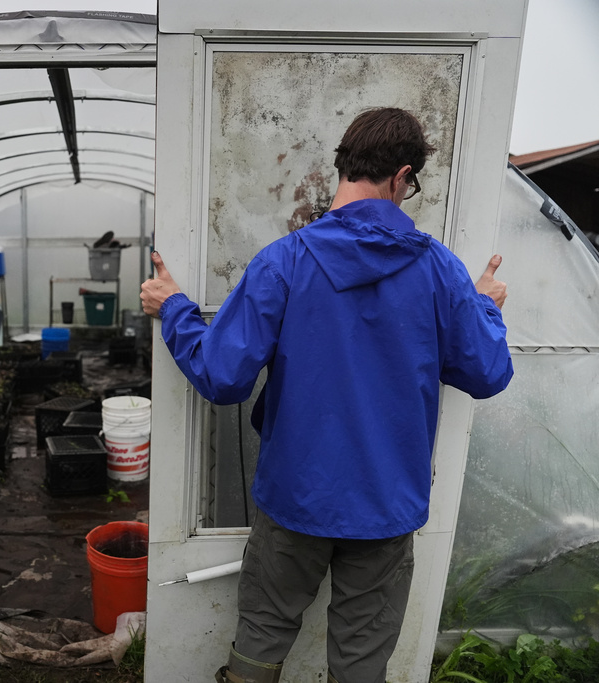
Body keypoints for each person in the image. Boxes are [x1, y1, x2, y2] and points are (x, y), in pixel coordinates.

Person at [140, 107, 513, 683]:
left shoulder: (284, 262)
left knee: (261, 639)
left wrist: (175, 310)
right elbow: (487, 372)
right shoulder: (441, 271)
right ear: (402, 175)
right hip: (388, 509)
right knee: (362, 662)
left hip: (295, 498)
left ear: (342, 166)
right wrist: (483, 305)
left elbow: (222, 376)